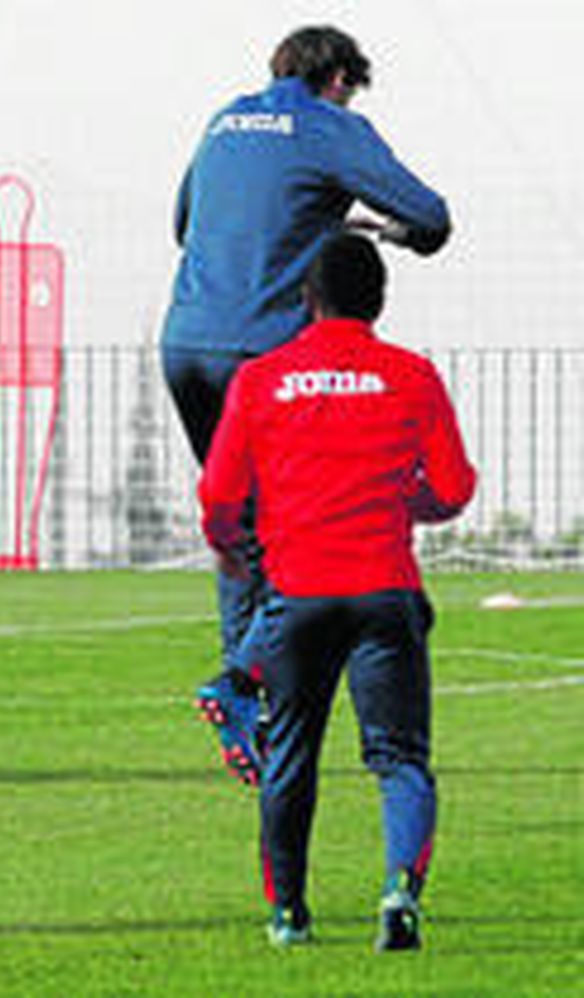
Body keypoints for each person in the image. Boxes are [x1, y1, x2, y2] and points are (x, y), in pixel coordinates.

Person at [161, 25, 453, 786]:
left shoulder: (226, 118)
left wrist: (310, 221)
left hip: (185, 343)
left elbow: (183, 224)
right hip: (264, 351)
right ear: (338, 79)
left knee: (249, 529)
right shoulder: (329, 125)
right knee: (300, 528)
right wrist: (379, 229)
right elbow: (430, 217)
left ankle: (249, 701)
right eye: (352, 88)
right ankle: (249, 692)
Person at [198, 234, 475, 950]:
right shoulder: (412, 376)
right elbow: (453, 487)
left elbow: (219, 494)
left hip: (297, 597)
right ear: (379, 301)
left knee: (290, 756)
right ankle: (398, 897)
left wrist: (231, 548)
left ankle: (289, 915)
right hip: (384, 591)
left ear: (305, 301)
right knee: (400, 759)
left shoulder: (261, 380)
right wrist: (397, 501)